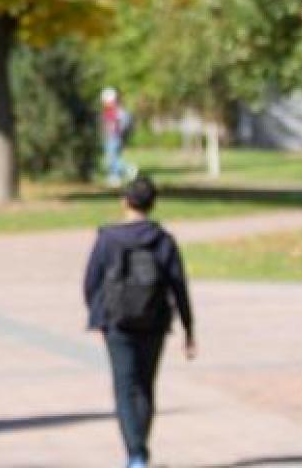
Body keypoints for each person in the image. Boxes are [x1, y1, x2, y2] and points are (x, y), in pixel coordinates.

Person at [82, 175, 196, 468]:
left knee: (124, 386)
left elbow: (90, 282)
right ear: (153, 203)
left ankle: (135, 454)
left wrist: (99, 314)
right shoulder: (164, 241)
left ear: (125, 201)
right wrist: (188, 329)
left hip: (116, 323)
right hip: (154, 321)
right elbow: (178, 286)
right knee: (145, 386)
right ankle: (139, 449)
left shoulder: (107, 239)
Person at [100, 87, 134, 185]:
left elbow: (120, 124)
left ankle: (128, 169)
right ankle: (114, 177)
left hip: (114, 138)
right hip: (112, 138)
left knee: (111, 158)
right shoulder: (111, 110)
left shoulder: (116, 111)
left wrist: (117, 132)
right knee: (114, 158)